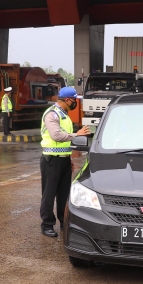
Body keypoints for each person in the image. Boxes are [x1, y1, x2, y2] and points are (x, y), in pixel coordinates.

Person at [39, 87, 90, 237]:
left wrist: (68, 158)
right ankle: (47, 224)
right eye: (74, 100)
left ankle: (63, 221)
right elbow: (55, 135)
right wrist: (77, 134)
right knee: (49, 193)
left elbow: (65, 141)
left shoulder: (65, 115)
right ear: (67, 100)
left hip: (64, 160)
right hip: (51, 160)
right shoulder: (52, 114)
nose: (76, 103)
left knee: (64, 194)